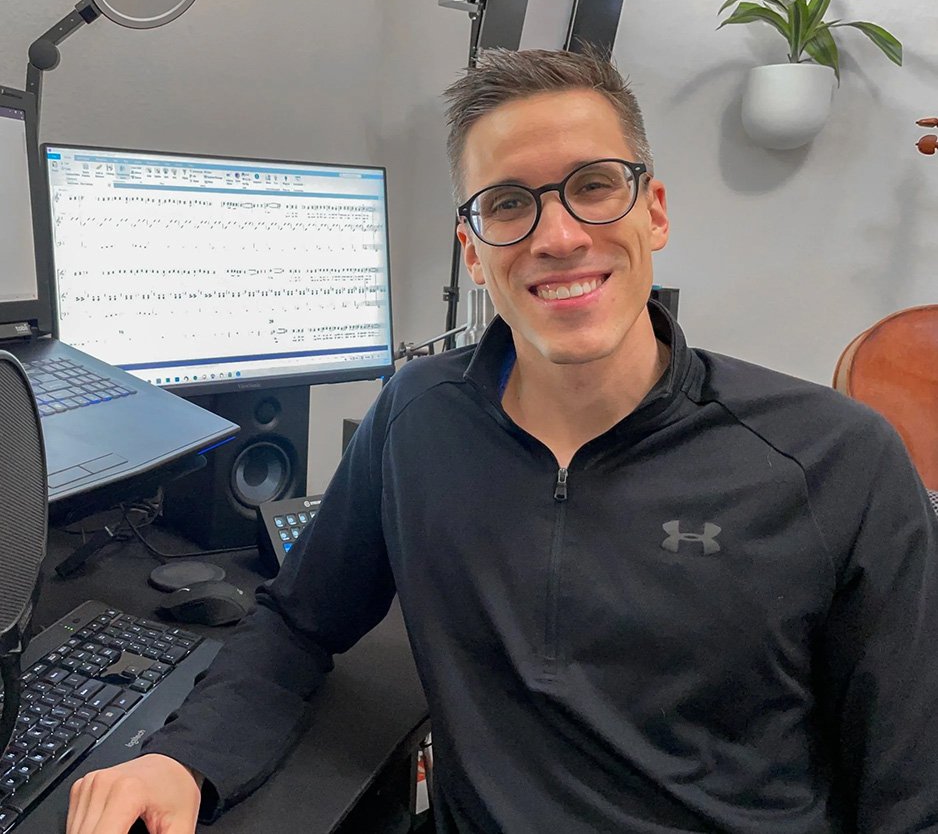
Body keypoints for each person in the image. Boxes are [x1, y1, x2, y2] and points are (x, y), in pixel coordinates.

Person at [67, 48, 938, 834]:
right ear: (473, 251)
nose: (558, 237)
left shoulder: (836, 461)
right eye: (509, 204)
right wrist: (183, 758)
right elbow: (299, 622)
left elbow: (910, 792)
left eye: (594, 185)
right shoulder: (416, 421)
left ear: (655, 211)